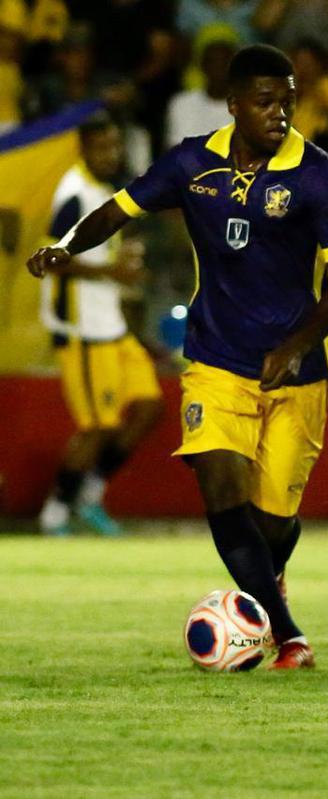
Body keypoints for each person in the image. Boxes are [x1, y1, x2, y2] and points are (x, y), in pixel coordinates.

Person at [27, 44, 328, 670]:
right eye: (266, 103)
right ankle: (287, 635)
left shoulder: (317, 175)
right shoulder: (190, 163)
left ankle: (267, 587)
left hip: (302, 371)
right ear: (234, 105)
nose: (280, 115)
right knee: (219, 485)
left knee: (270, 527)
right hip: (216, 358)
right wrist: (65, 248)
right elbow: (120, 208)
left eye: (288, 103)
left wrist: (294, 348)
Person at [37, 114, 165, 537]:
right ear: (84, 149)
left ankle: (90, 493)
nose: (111, 155)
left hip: (109, 322)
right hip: (81, 328)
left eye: (114, 146)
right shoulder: (72, 194)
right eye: (102, 147)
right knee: (99, 426)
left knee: (149, 407)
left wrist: (124, 262)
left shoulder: (105, 190)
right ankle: (56, 509)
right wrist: (114, 273)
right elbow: (52, 260)